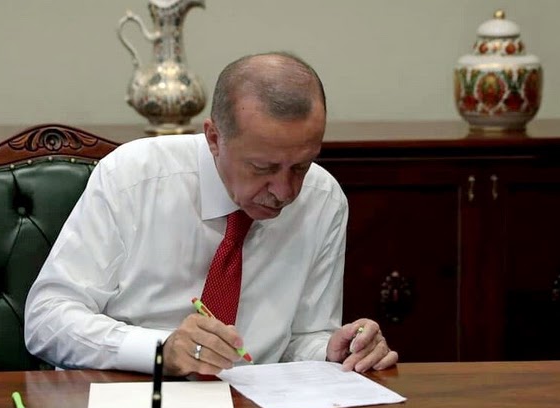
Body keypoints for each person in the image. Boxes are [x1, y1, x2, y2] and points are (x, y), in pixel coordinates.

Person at [24, 52, 398, 376]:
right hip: (130, 391)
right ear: (214, 138)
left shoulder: (323, 198)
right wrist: (160, 350)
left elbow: (301, 339)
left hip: (255, 403)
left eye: (301, 166)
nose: (286, 192)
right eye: (263, 167)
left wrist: (334, 350)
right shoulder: (133, 177)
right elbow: (47, 320)